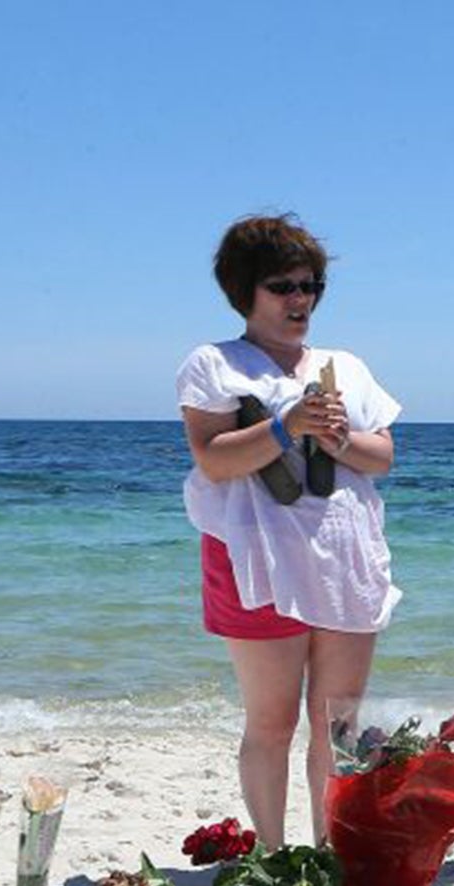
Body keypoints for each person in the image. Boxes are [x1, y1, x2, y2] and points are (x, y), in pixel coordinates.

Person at [178, 214, 401, 851]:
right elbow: (214, 459)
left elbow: (381, 456)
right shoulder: (216, 364)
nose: (300, 299)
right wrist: (285, 425)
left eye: (309, 286)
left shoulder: (346, 367)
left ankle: (329, 857)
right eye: (283, 286)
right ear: (246, 291)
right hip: (258, 558)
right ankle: (274, 858)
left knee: (339, 726)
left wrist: (337, 437)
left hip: (344, 558)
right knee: (272, 724)